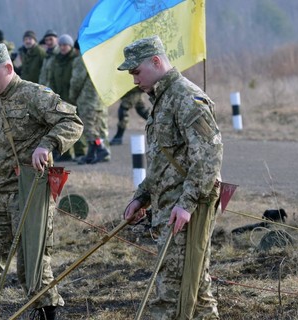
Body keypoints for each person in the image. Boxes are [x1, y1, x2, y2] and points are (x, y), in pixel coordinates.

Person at [0, 44, 83, 320]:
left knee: (33, 261)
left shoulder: (34, 95)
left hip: (29, 191)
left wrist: (47, 144)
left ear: (8, 68)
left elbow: (72, 122)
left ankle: (45, 310)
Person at [120, 36, 222, 319]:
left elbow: (208, 156)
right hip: (170, 207)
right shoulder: (163, 99)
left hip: (187, 209)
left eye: (136, 71)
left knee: (174, 287)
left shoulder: (186, 98)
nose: (134, 79)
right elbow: (163, 161)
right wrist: (141, 196)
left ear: (156, 61)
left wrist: (187, 203)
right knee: (194, 285)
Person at [69, 40, 110, 164]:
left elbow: (76, 81)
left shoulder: (82, 60)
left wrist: (72, 96)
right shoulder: (97, 59)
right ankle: (91, 155)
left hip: (87, 99)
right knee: (95, 126)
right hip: (99, 99)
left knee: (89, 128)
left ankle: (101, 149)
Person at [48, 34, 85, 161]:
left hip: (73, 97)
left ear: (70, 46)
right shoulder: (56, 60)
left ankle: (81, 152)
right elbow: (51, 78)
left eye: (66, 45)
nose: (63, 47)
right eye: (61, 45)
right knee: (62, 127)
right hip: (60, 98)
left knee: (77, 125)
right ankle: (66, 153)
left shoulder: (75, 59)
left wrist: (74, 95)